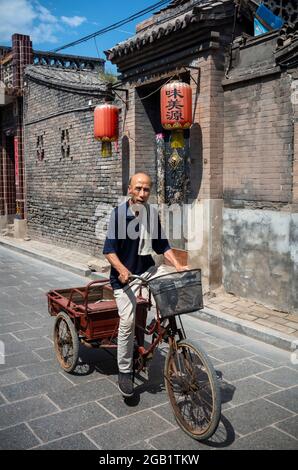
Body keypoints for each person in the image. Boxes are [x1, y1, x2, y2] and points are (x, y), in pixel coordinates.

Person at [103, 172, 188, 397]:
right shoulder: (119, 216)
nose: (142, 193)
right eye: (138, 188)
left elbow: (162, 245)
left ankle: (169, 332)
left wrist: (178, 266)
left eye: (146, 189)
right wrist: (122, 270)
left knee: (171, 286)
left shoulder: (151, 214)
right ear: (130, 189)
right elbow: (109, 251)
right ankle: (124, 370)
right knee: (128, 321)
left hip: (147, 270)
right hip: (125, 277)